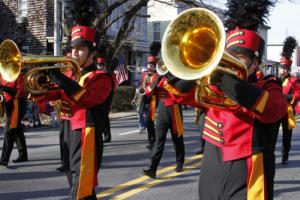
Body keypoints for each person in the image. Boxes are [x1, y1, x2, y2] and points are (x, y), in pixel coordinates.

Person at [195, 1, 288, 199]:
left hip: (247, 165)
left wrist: (226, 81)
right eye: (230, 54)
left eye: (241, 56)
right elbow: (184, 96)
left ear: (255, 62)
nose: (233, 59)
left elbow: (274, 109)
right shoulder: (214, 82)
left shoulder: (268, 85)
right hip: (213, 161)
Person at [34, 24, 115, 199]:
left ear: (92, 52)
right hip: (67, 129)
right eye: (73, 49)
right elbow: (53, 94)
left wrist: (57, 75)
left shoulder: (101, 78)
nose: (74, 53)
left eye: (80, 49)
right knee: (77, 184)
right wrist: (37, 84)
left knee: (80, 189)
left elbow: (86, 98)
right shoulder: (70, 74)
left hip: (87, 133)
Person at [142, 62, 196, 178]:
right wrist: (153, 82)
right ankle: (153, 168)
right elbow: (148, 92)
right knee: (159, 141)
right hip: (162, 109)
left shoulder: (178, 77)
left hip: (174, 109)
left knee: (177, 138)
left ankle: (180, 162)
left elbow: (182, 92)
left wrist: (167, 79)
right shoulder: (157, 77)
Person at [278, 36, 299, 165]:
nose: (283, 70)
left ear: (289, 69)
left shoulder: (294, 81)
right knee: (272, 133)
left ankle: (284, 155)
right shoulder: (274, 80)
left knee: (287, 135)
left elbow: (297, 94)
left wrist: (288, 98)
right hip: (275, 110)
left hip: (287, 110)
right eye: (282, 68)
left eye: (285, 68)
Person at [0, 72, 28, 167]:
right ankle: (23, 154)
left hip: (17, 104)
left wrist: (3, 88)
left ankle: (4, 159)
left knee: (10, 131)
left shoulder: (19, 75)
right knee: (18, 130)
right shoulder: (2, 74)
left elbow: (19, 92)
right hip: (8, 105)